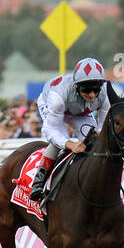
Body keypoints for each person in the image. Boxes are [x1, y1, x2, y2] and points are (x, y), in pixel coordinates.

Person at [30, 57, 110, 201]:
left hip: (79, 113)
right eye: (87, 89)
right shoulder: (57, 98)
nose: (92, 95)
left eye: (96, 89)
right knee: (59, 140)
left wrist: (98, 135)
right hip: (54, 106)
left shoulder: (105, 95)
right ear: (77, 86)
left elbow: (102, 127)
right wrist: (69, 144)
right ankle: (39, 180)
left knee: (93, 141)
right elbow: (50, 131)